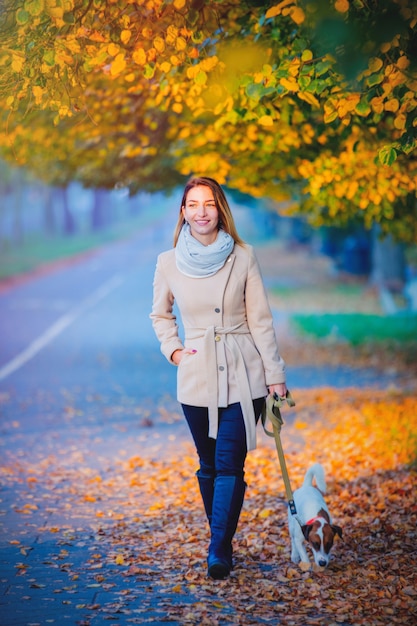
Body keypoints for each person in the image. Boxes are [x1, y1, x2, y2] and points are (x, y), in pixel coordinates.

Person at [150, 176, 287, 580]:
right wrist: (174, 349)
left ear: (220, 208)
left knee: (230, 464)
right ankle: (222, 540)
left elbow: (261, 321)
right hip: (196, 374)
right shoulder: (168, 262)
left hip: (244, 372)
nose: (202, 211)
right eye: (193, 204)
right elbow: (159, 315)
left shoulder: (243, 256)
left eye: (208, 203)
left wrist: (275, 375)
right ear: (184, 212)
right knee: (208, 465)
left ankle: (219, 549)